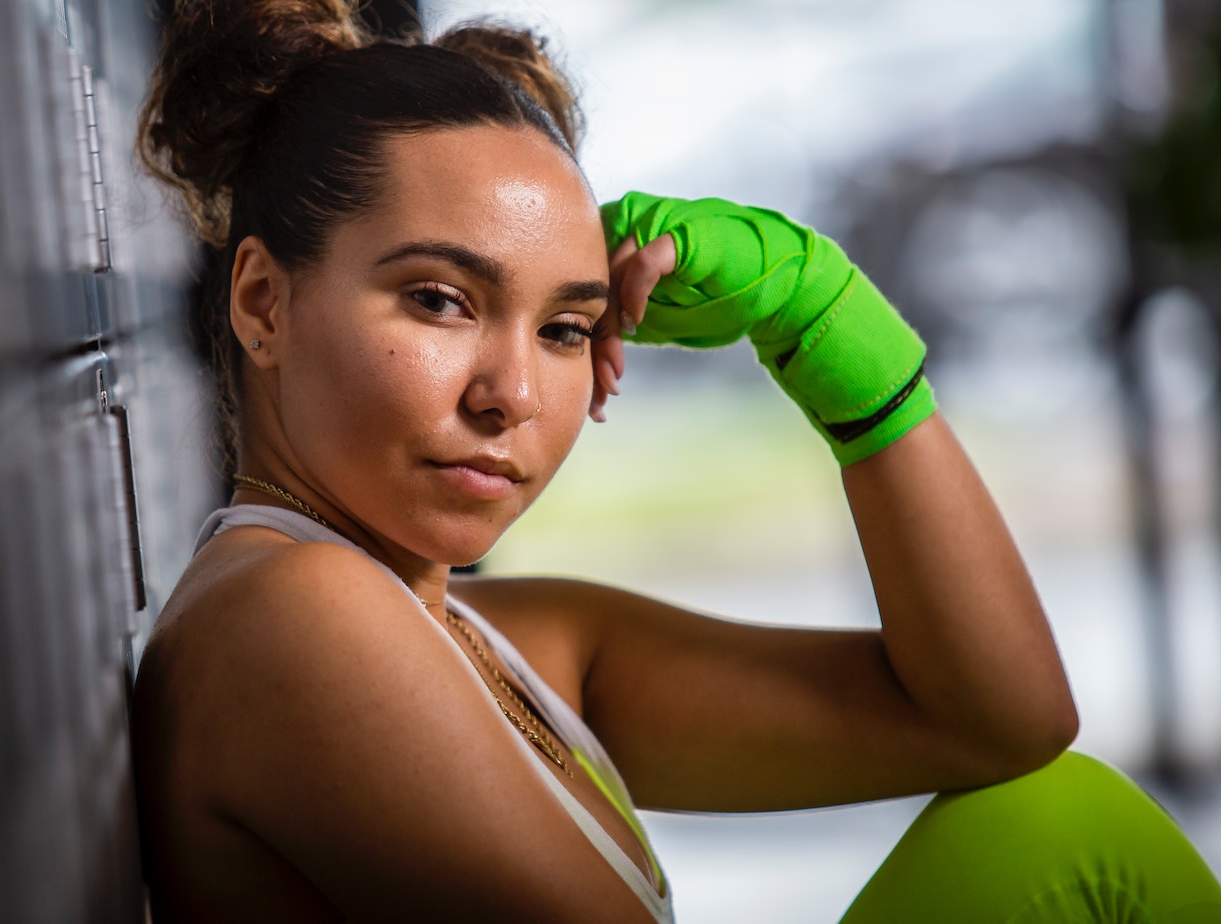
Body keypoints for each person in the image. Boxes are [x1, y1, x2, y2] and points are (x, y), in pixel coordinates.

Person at [129, 1, 1221, 920]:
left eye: (563, 328)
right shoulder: (291, 608)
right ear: (262, 301)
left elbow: (996, 722)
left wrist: (827, 331)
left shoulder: (495, 641)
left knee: (1046, 811)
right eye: (438, 300)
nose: (507, 394)